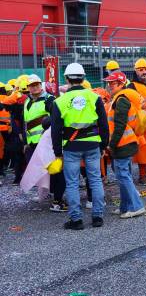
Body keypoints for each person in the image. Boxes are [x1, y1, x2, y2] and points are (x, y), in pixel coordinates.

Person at [51, 63, 110, 229]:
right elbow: (103, 124)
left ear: (67, 79)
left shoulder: (60, 101)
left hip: (71, 146)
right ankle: (98, 217)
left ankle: (76, 220)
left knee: (72, 183)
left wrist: (57, 152)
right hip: (92, 144)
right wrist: (103, 145)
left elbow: (55, 130)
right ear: (83, 78)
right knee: (95, 180)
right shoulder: (94, 97)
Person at [104, 72, 146, 219]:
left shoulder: (121, 100)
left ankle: (136, 206)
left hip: (123, 143)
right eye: (109, 83)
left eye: (113, 83)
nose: (110, 86)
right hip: (125, 142)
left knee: (123, 175)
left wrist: (111, 144)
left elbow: (119, 125)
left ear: (121, 84)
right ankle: (125, 206)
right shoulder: (120, 98)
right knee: (123, 175)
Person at [22, 75, 57, 195]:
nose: (35, 87)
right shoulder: (27, 101)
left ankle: (55, 194)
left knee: (50, 167)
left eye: (37, 84)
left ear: (40, 85)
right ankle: (44, 192)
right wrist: (25, 142)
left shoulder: (49, 99)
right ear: (28, 87)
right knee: (38, 169)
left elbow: (55, 119)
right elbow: (25, 123)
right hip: (32, 141)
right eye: (32, 85)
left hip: (46, 141)